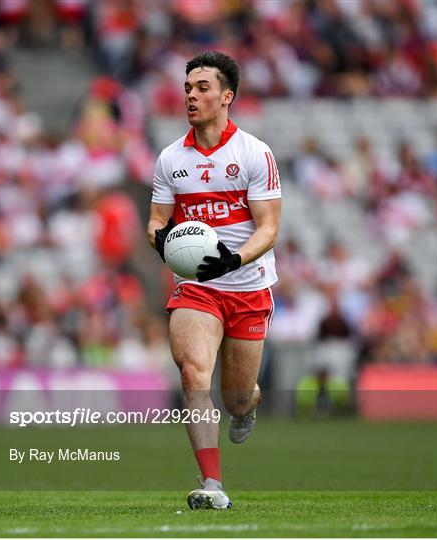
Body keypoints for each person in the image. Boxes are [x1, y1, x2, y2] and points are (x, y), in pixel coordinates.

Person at [147, 51, 281, 509]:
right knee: (193, 374)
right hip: (197, 286)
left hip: (246, 284)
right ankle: (212, 484)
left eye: (202, 87)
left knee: (237, 397)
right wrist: (163, 242)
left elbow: (268, 228)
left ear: (227, 96)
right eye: (187, 87)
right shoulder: (170, 158)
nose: (191, 94)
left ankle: (249, 405)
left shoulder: (253, 152)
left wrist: (232, 259)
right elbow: (156, 222)